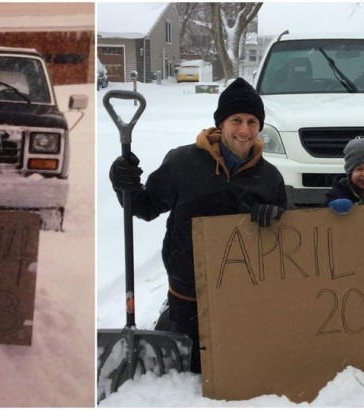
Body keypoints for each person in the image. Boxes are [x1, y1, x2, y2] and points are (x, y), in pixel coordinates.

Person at [108, 78, 287, 373]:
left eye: (252, 122)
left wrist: (275, 214)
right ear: (221, 123)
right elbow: (146, 207)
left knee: (238, 364)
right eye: (236, 120)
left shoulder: (269, 177)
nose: (245, 130)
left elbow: (286, 235)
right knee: (191, 366)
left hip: (244, 290)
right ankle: (171, 319)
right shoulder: (183, 163)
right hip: (188, 287)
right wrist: (123, 184)